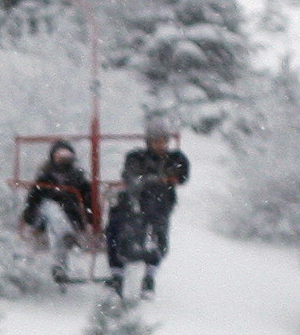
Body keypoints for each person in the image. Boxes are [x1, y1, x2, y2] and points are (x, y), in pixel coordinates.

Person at [105, 121, 190, 298]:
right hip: (136, 204)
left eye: (163, 141)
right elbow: (132, 176)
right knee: (121, 233)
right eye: (156, 141)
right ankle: (118, 276)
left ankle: (149, 277)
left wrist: (154, 179)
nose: (160, 145)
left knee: (158, 237)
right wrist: (155, 179)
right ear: (149, 142)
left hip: (160, 204)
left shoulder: (174, 158)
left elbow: (181, 175)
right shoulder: (137, 157)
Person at [19, 142, 96, 284]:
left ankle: (59, 267)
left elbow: (88, 202)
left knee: (55, 231)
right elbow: (33, 199)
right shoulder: (45, 176)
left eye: (67, 156)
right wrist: (29, 215)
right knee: (51, 207)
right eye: (60, 156)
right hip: (43, 216)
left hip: (69, 217)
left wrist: (90, 221)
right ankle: (66, 235)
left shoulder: (78, 178)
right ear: (53, 157)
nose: (63, 160)